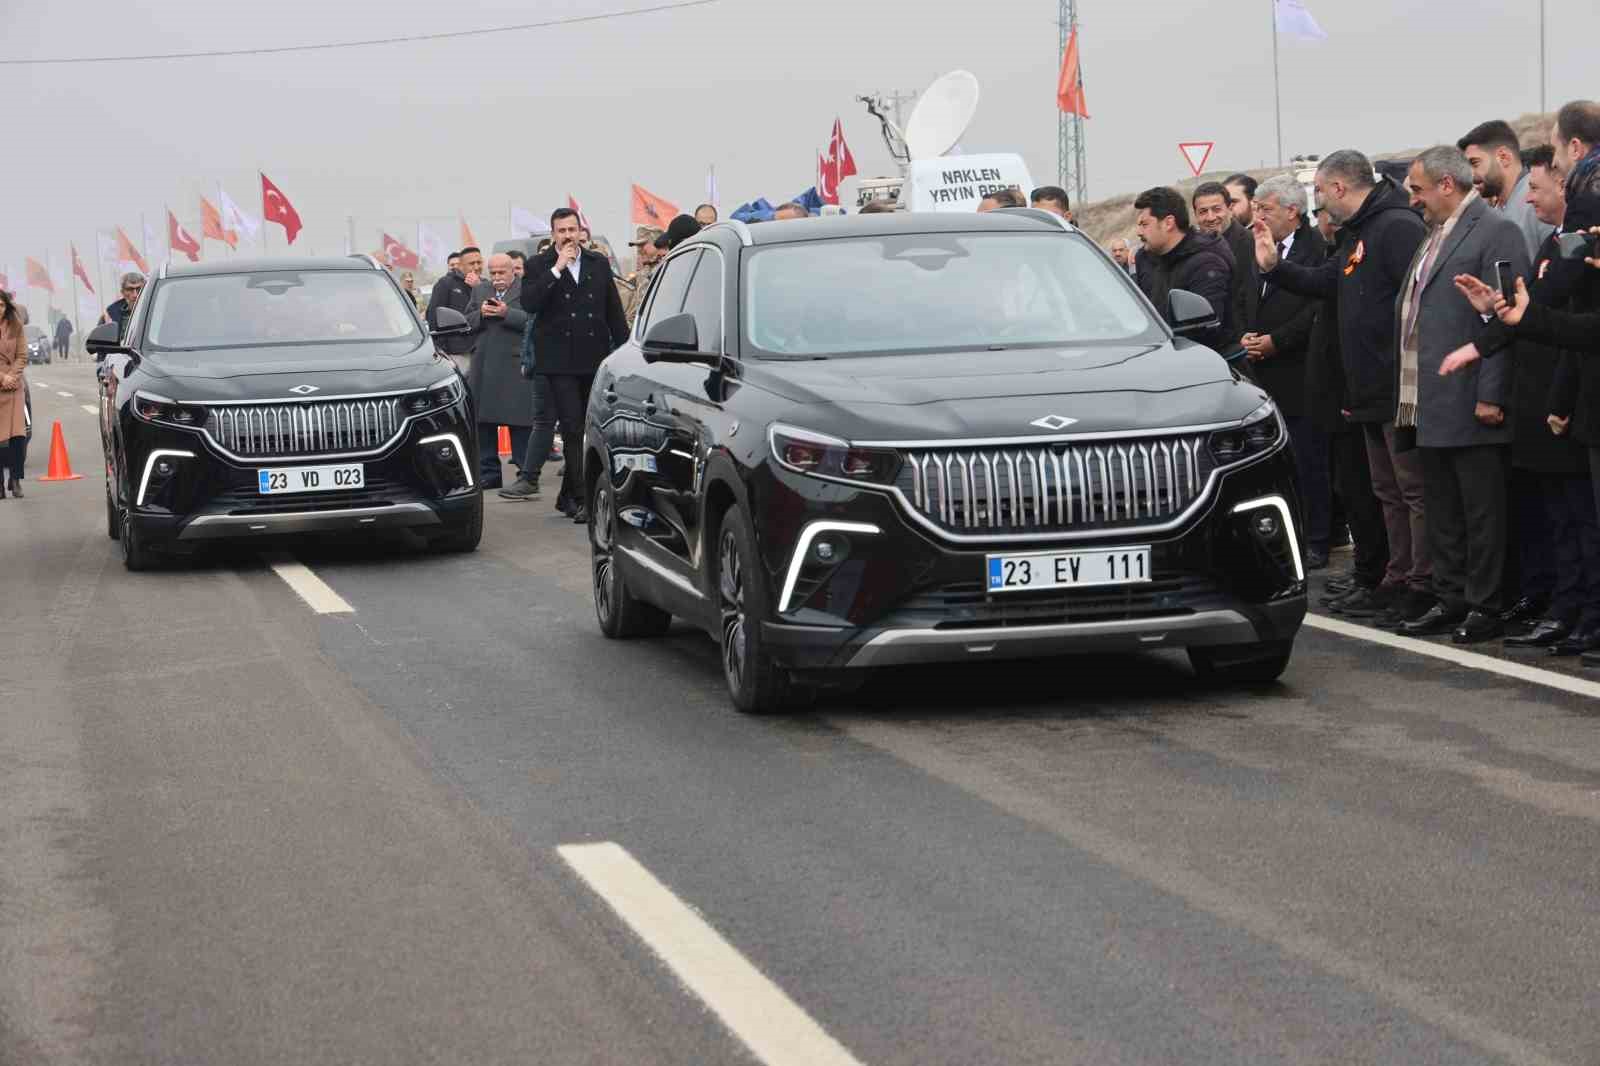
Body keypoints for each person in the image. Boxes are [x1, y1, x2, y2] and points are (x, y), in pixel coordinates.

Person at [1254, 150, 1430, 627]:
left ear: (1336, 188)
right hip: (1367, 388)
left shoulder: (1395, 228)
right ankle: (1395, 577)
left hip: (1397, 387)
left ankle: (1421, 582)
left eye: (1318, 193)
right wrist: (1274, 267)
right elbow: (1328, 282)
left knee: (1411, 491)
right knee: (1387, 491)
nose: (1317, 205)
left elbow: (1416, 306)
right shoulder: (1361, 231)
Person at [1380, 146, 1528, 643]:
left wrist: (1492, 394)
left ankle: (1485, 605)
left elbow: (1508, 320)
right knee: (1443, 509)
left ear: (1448, 184)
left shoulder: (1496, 230)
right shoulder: (1433, 235)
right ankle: (1451, 597)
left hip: (1471, 397)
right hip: (1430, 400)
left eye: (1418, 189)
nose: (1413, 199)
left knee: (1481, 512)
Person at [1236, 174, 1331, 567]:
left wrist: (1277, 340)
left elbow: (1316, 308)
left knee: (1309, 462)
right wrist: (1247, 335)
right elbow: (1244, 295)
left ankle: (1318, 540)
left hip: (1301, 369)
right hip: (1261, 373)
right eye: (1255, 208)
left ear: (1292, 211)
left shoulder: (1317, 249)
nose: (1258, 216)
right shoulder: (1253, 245)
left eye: (1266, 209)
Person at [516, 207, 629, 521]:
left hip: (593, 357)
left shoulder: (598, 263)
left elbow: (614, 313)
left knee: (591, 428)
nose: (567, 236)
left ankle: (568, 495)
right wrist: (557, 268)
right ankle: (583, 499)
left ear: (581, 231)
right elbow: (529, 303)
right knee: (572, 428)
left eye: (572, 229)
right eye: (561, 231)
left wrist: (626, 352)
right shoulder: (539, 265)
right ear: (553, 234)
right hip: (559, 362)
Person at [464, 254, 533, 490]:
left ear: (513, 270)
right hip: (484, 363)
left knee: (520, 422)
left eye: (501, 272)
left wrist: (507, 314)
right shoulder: (480, 291)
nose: (496, 278)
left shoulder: (527, 289)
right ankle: (489, 473)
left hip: (515, 365)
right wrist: (481, 314)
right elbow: (466, 321)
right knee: (484, 422)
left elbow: (534, 321)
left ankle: (526, 473)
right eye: (492, 273)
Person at [1133, 185, 1233, 350]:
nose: (1139, 232)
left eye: (1144, 224)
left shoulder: (1206, 263)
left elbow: (1205, 332)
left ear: (1168, 223)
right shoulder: (1154, 259)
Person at [1457, 118, 1551, 259]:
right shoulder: (1496, 210)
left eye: (1475, 163)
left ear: (1504, 157)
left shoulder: (1537, 200)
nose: (1470, 175)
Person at [1192, 181, 1254, 343]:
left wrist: (1241, 338)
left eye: (1217, 209)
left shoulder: (1250, 242)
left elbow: (1249, 297)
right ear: (1195, 215)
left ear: (1229, 209)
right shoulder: (1192, 248)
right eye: (1203, 211)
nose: (1211, 217)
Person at [0, 290, 28, 499]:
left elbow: (22, 355)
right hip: (2, 382)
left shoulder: (16, 325)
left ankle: (16, 480)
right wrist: (3, 378)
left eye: (1, 305)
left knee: (18, 437)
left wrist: (12, 376)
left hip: (15, 386)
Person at [427, 247, 478, 361]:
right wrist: (441, 350)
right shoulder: (445, 283)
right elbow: (433, 316)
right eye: (471, 263)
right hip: (456, 351)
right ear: (462, 265)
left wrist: (478, 287)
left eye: (479, 263)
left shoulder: (482, 284)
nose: (476, 267)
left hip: (479, 349)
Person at [622, 225, 664, 328]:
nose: (639, 250)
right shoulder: (643, 273)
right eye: (638, 246)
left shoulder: (667, 268)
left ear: (657, 244)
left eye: (643, 245)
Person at [102, 272, 145, 336]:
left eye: (139, 289)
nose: (135, 295)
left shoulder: (155, 310)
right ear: (122, 292)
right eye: (130, 289)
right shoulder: (110, 314)